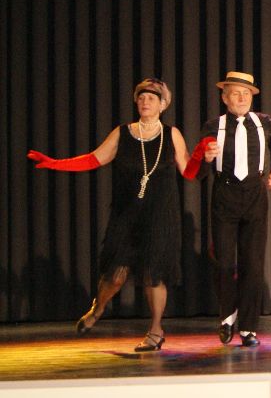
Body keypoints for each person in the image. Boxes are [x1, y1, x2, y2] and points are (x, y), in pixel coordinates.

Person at [27, 78, 190, 352]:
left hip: (160, 215)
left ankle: (156, 330)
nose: (145, 102)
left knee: (154, 275)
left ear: (163, 105)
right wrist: (56, 164)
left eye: (151, 98)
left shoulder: (171, 134)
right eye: (141, 97)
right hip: (126, 214)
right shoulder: (123, 133)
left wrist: (206, 157)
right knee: (115, 275)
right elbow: (94, 158)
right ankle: (98, 308)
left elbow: (188, 169)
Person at [189, 71, 271, 347]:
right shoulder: (213, 126)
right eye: (235, 93)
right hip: (225, 193)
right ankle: (226, 316)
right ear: (224, 97)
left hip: (255, 193)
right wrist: (206, 159)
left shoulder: (264, 123)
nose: (242, 98)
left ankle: (248, 328)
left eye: (246, 94)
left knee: (253, 264)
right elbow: (198, 171)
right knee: (223, 262)